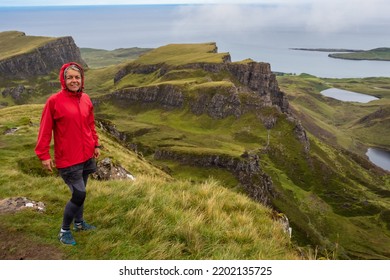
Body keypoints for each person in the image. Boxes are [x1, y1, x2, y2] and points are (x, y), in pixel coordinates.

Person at [35, 62, 101, 245]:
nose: (74, 80)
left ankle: (79, 224)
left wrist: (96, 145)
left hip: (87, 155)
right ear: (63, 80)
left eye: (77, 77)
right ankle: (64, 231)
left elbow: (90, 124)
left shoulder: (86, 99)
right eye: (70, 77)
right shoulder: (54, 101)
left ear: (82, 79)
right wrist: (43, 154)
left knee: (82, 192)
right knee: (78, 195)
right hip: (68, 159)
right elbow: (45, 129)